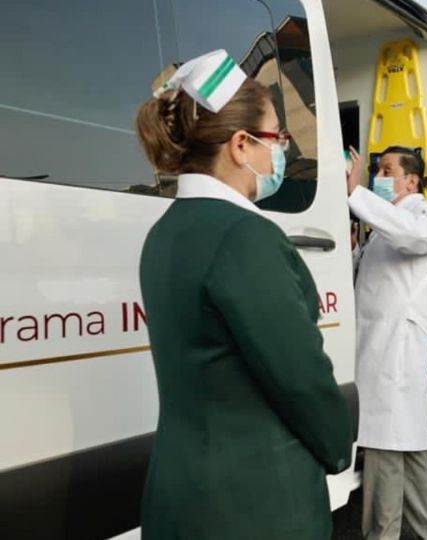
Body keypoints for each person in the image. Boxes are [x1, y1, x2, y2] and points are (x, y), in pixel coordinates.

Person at [135, 50, 353, 539]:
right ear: (240, 145)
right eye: (278, 137)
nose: (282, 152)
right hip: (256, 501)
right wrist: (340, 445)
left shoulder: (166, 232)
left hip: (181, 488)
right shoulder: (245, 236)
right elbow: (300, 377)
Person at [347, 145, 427, 539]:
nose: (379, 175)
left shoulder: (424, 214)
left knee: (385, 449)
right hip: (379, 350)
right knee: (407, 449)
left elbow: (413, 238)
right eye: (377, 169)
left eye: (387, 169)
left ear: (411, 180)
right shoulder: (384, 226)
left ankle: (383, 535)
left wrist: (354, 193)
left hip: (395, 353)